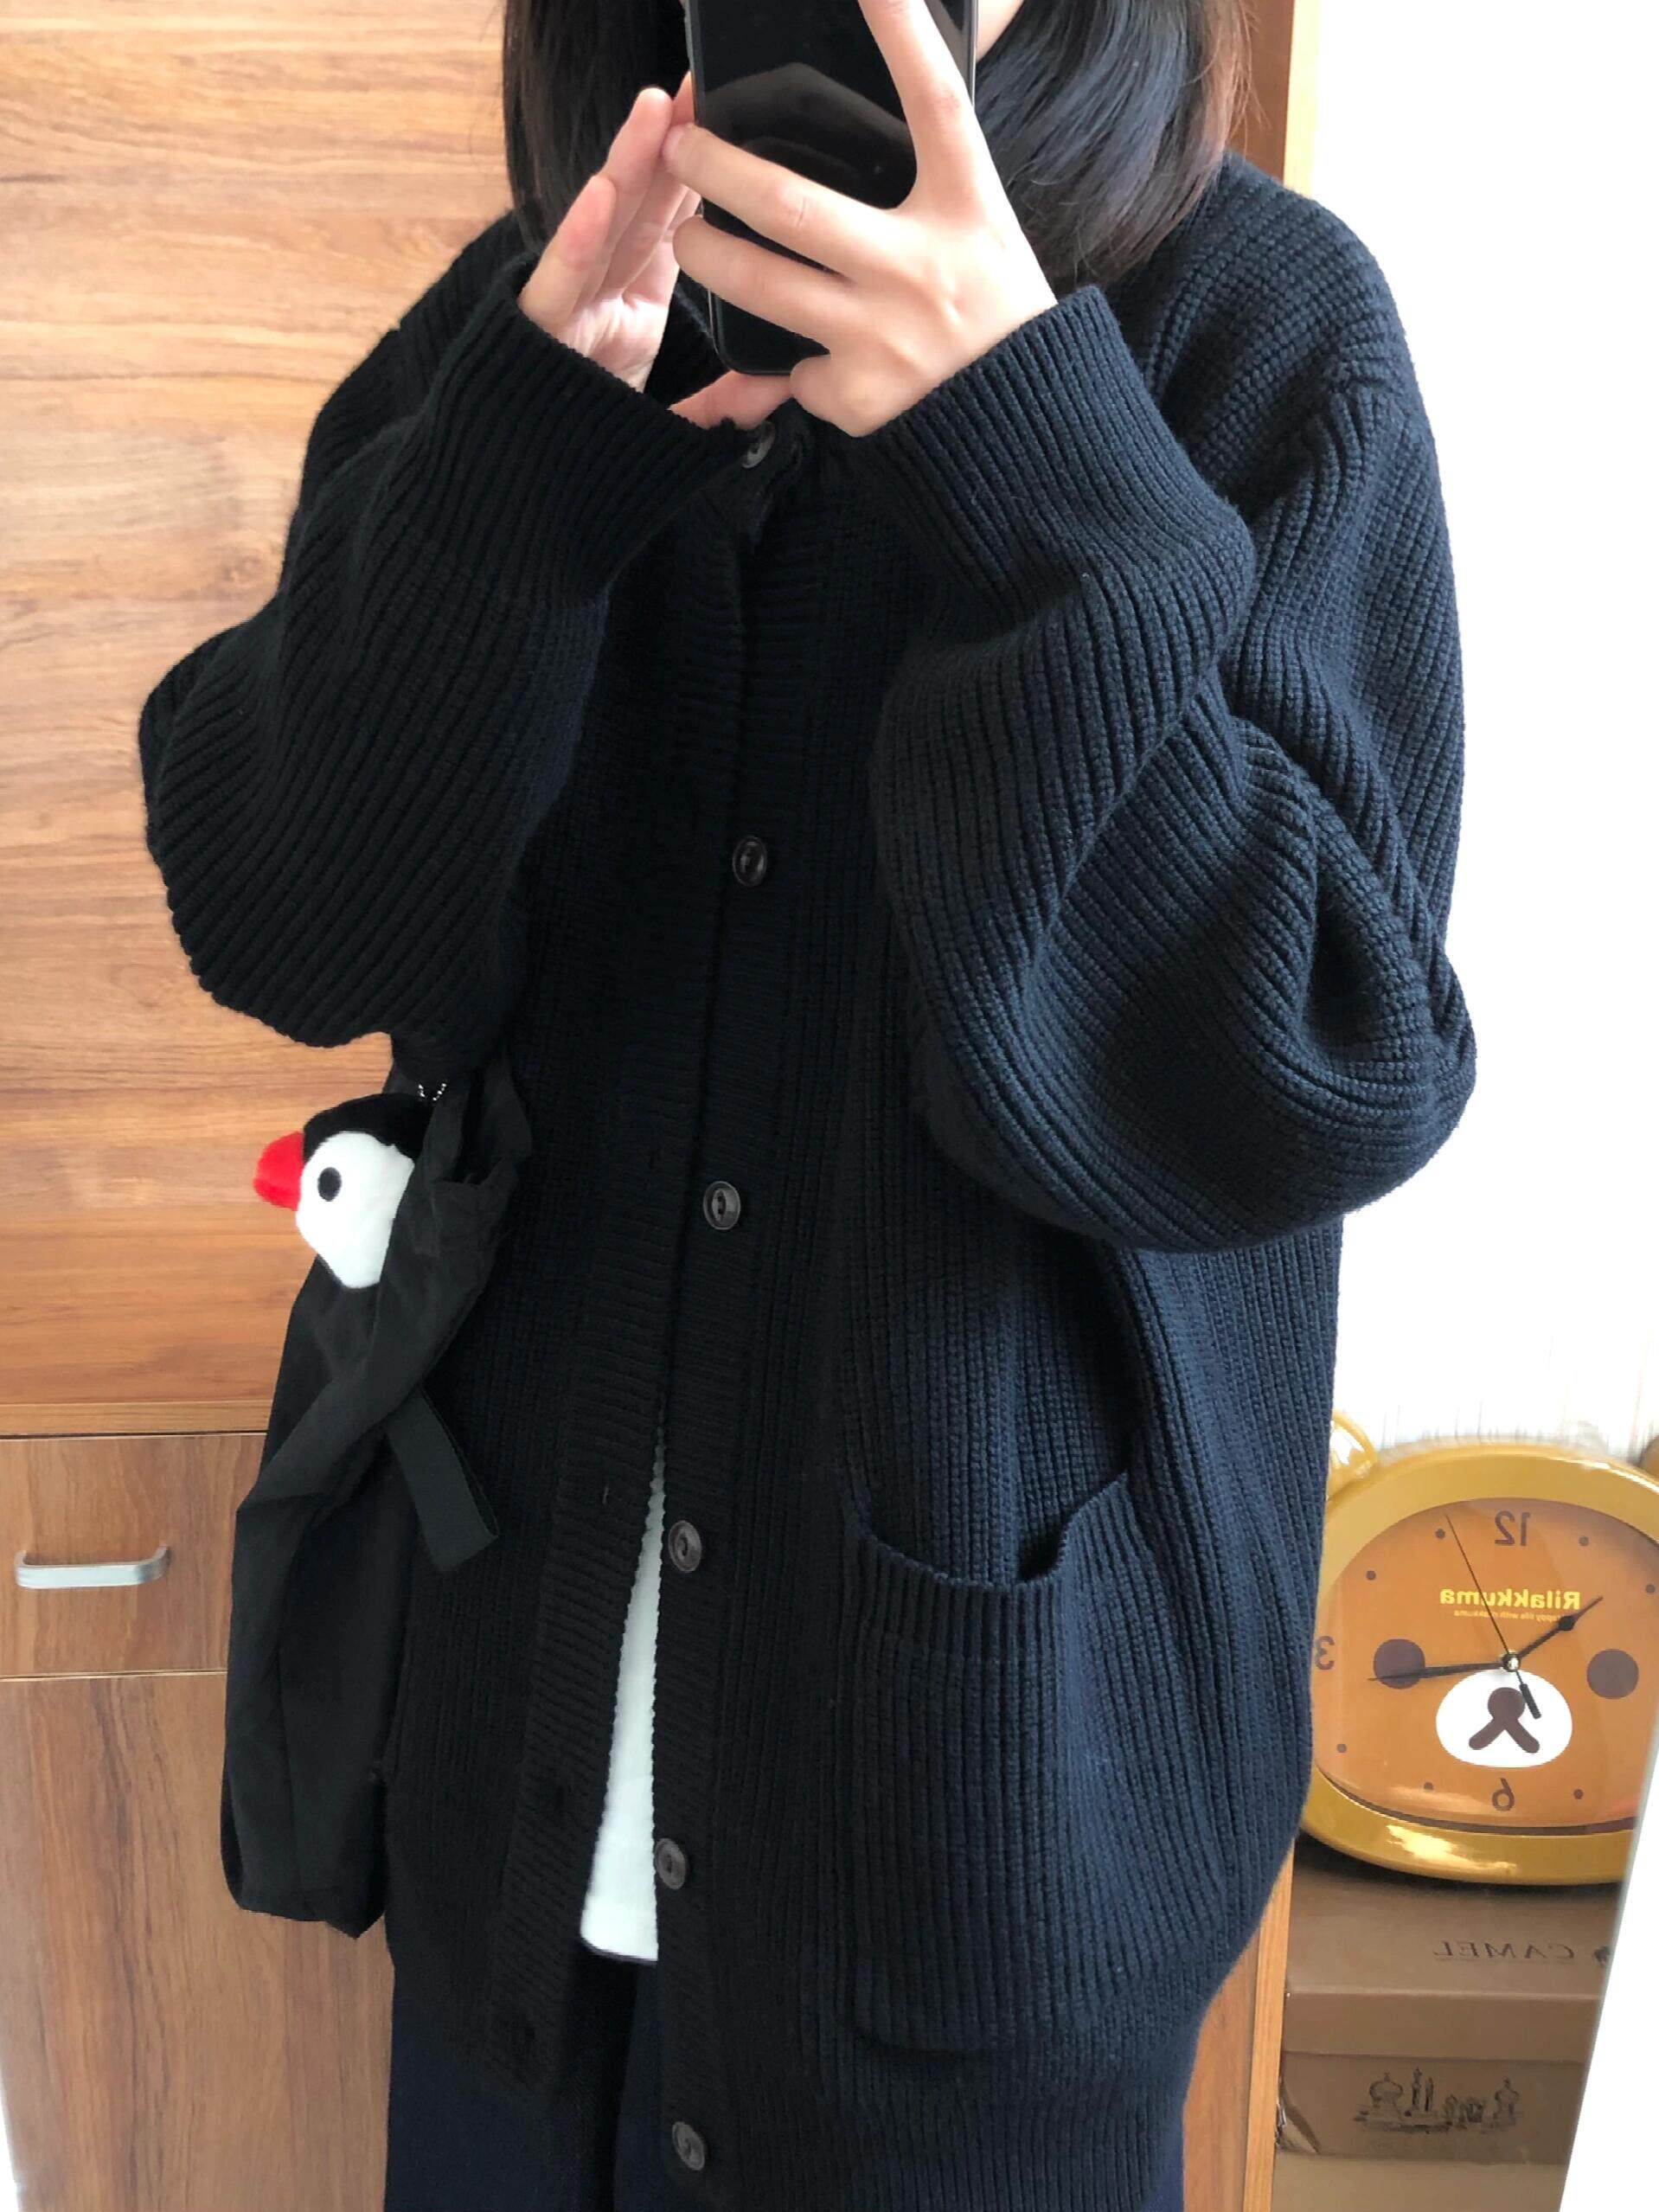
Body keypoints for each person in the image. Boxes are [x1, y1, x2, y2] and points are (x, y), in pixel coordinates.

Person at [137, 0, 1477, 2204]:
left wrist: (1026, 459)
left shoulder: (1256, 331)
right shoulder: (537, 306)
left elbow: (1304, 1072)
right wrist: (516, 476)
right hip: (500, 1854)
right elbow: (285, 921)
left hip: (972, 1912)